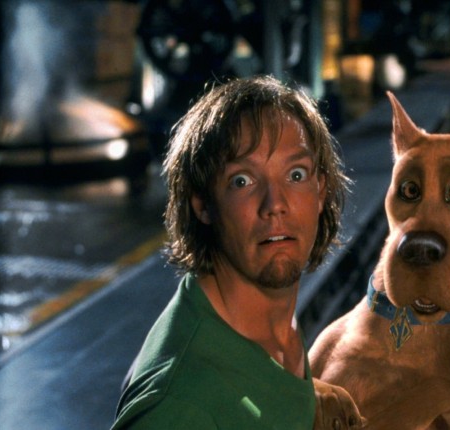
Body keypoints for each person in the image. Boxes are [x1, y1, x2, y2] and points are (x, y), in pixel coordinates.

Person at [111, 76, 360, 429]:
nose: (275, 205)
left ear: (320, 190)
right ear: (203, 205)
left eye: (296, 174)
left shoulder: (270, 325)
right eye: (242, 181)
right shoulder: (177, 404)